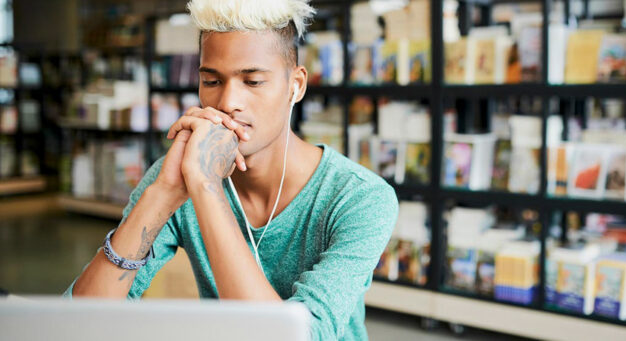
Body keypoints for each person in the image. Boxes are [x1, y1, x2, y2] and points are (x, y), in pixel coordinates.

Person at [64, 1, 399, 340]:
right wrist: (162, 195)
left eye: (252, 81)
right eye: (211, 81)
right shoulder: (180, 176)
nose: (227, 102)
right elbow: (79, 323)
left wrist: (207, 187)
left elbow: (294, 336)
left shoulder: (361, 197)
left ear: (296, 86)